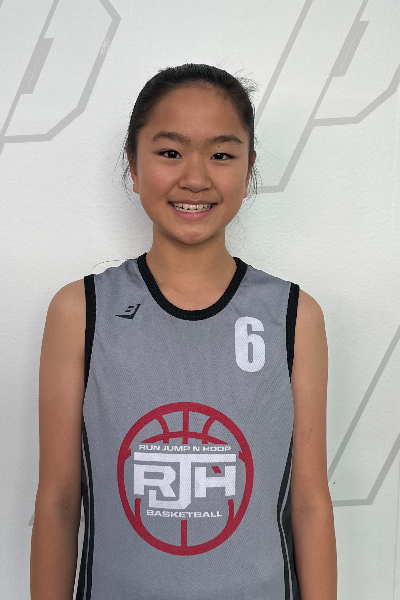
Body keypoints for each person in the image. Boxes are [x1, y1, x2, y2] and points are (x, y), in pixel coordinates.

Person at [30, 63, 337, 600]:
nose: (195, 177)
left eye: (222, 155)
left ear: (249, 169)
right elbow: (58, 502)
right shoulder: (81, 310)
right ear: (133, 164)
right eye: (170, 152)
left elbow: (309, 505)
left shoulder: (293, 315)